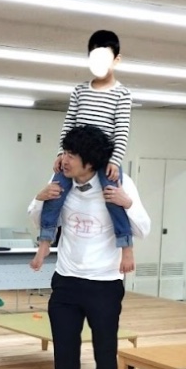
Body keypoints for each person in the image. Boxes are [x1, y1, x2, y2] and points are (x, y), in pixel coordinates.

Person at [28, 125, 151, 369]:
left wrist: (127, 203)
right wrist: (39, 198)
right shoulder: (61, 179)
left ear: (91, 162)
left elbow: (143, 228)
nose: (65, 159)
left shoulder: (118, 182)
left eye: (73, 155)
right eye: (65, 152)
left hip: (104, 284)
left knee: (104, 357)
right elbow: (40, 219)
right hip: (66, 282)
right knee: (65, 357)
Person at [32, 30, 133, 274]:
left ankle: (127, 247)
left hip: (103, 156)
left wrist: (115, 160)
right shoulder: (79, 90)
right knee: (54, 194)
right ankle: (45, 242)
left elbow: (121, 129)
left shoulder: (122, 94)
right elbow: (69, 123)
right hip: (77, 154)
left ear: (116, 60)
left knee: (114, 199)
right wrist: (62, 153)